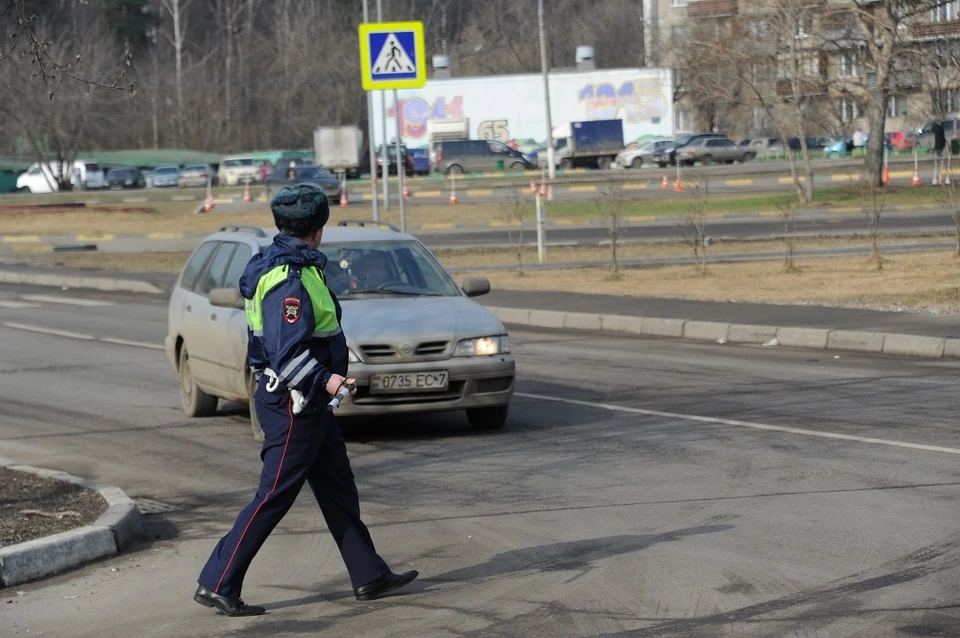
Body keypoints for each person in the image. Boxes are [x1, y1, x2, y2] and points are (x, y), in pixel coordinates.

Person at [194, 184, 418, 617]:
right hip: (294, 403)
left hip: (308, 404)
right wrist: (328, 383)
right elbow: (286, 350)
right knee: (273, 494)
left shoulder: (292, 265)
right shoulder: (289, 278)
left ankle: (368, 574)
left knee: (337, 487)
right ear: (318, 228)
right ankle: (217, 581)